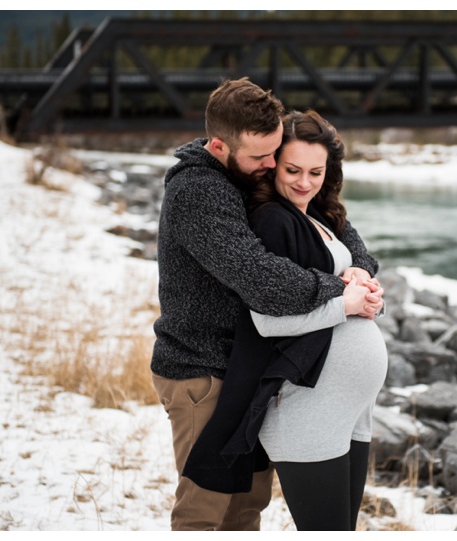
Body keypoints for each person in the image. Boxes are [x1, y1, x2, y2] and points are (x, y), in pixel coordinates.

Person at [150, 78, 383, 531]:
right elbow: (263, 281)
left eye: (276, 151)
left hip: (245, 374)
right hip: (203, 372)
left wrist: (362, 272)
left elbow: (343, 235)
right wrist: (343, 294)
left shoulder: (251, 173)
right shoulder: (200, 192)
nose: (273, 164)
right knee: (205, 512)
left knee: (245, 509)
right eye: (263, 157)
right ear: (219, 146)